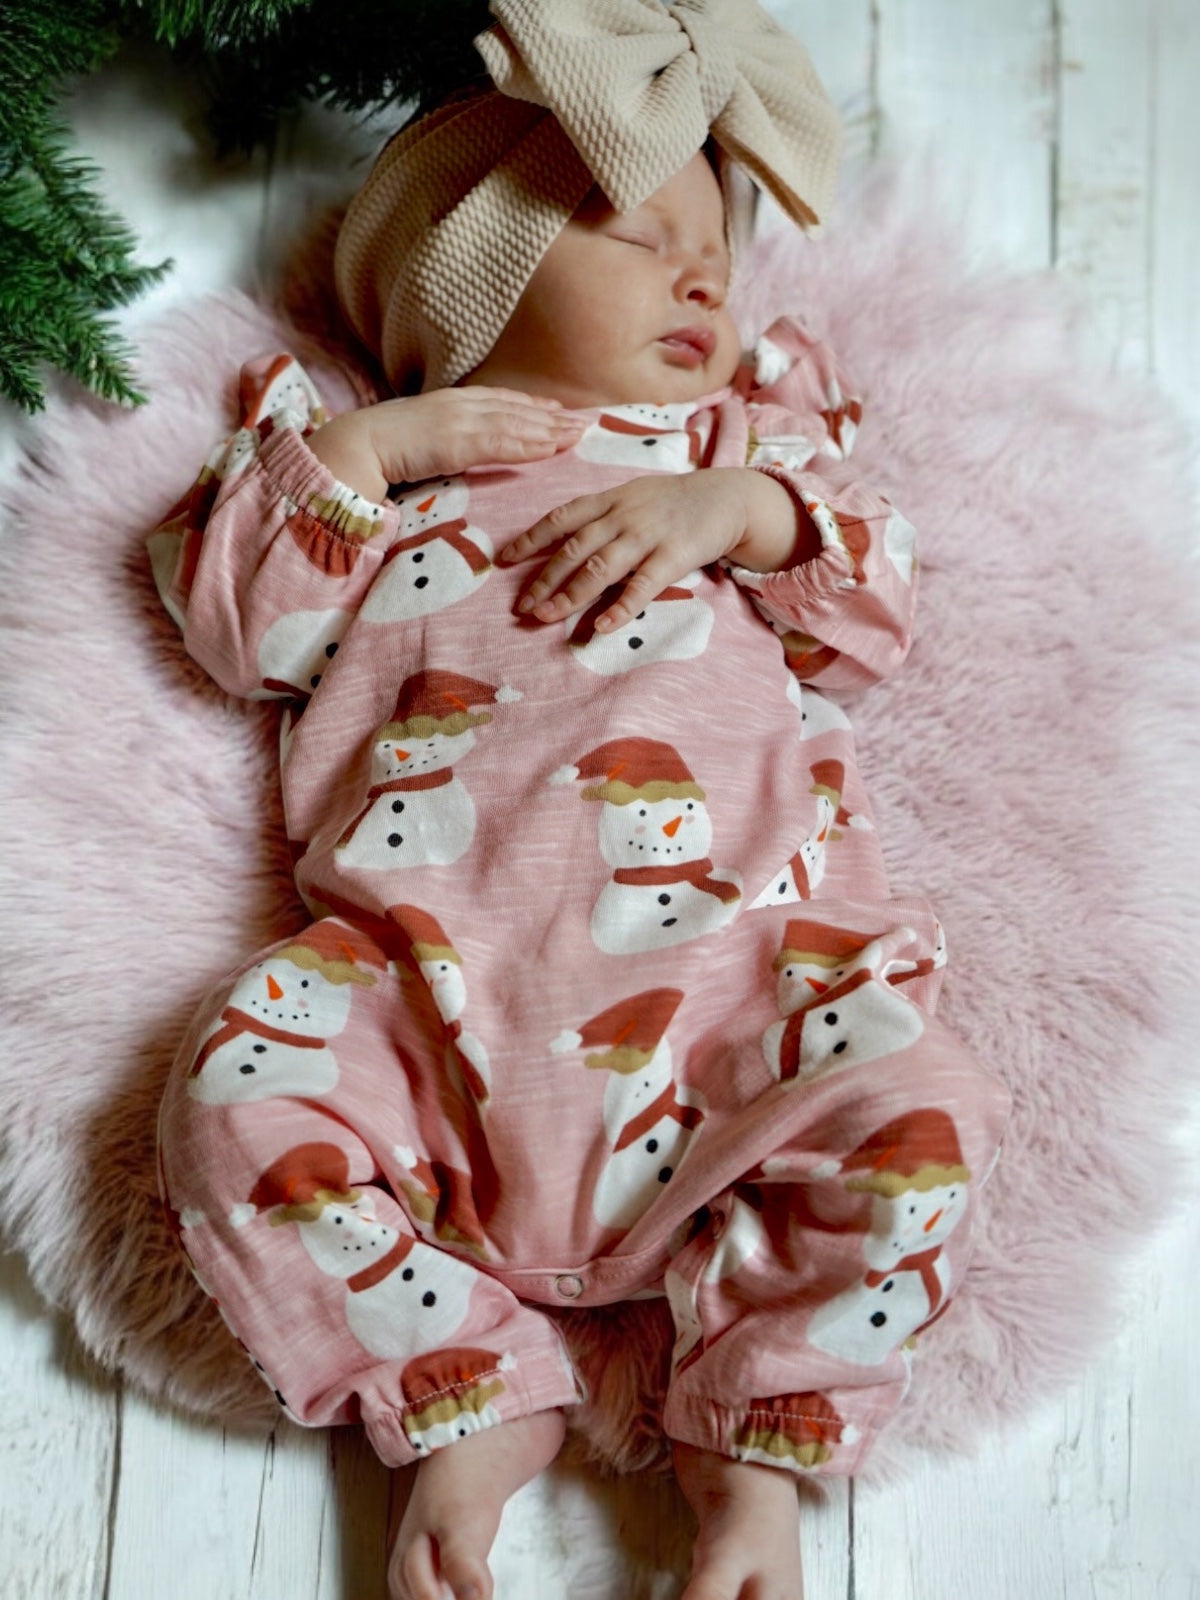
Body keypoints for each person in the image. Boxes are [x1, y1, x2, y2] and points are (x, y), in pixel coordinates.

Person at [152, 5, 1011, 1597]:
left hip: (748, 975)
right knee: (234, 1095)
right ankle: (462, 1391)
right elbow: (240, 630)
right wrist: (379, 442)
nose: (705, 277)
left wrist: (743, 508)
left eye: (720, 255)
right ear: (466, 280)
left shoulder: (743, 442)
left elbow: (877, 610)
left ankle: (750, 1455)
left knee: (921, 1112)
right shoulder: (371, 479)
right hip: (420, 985)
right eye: (642, 234)